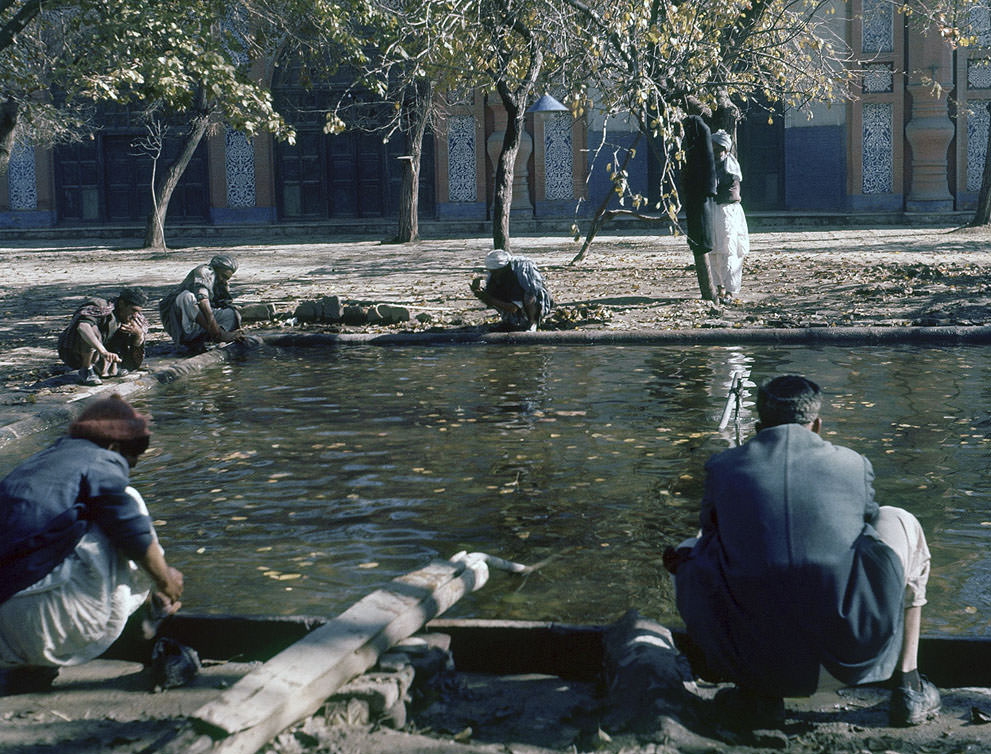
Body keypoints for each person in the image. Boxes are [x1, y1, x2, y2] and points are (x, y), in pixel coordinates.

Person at [668, 375, 939, 729]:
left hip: (756, 662)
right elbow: (869, 530)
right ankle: (908, 685)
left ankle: (756, 695)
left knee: (689, 552)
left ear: (759, 425)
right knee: (900, 520)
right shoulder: (852, 464)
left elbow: (710, 536)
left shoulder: (722, 467)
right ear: (818, 425)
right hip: (850, 663)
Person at [0, 394, 183, 694]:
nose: (126, 470)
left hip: (6, 638)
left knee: (79, 523)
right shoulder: (101, 459)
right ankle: (154, 612)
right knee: (128, 504)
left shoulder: (42, 462)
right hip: (45, 626)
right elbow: (130, 526)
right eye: (129, 463)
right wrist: (165, 578)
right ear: (114, 447)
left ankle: (31, 665)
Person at [58, 287, 149, 386]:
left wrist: (138, 333)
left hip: (106, 355)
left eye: (138, 311)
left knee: (134, 331)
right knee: (92, 330)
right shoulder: (101, 307)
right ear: (122, 304)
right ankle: (86, 370)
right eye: (133, 310)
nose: (135, 315)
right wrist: (103, 351)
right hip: (77, 353)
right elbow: (82, 328)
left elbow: (137, 344)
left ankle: (110, 368)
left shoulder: (134, 317)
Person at [158, 254, 244, 351]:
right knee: (186, 297)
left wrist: (224, 289)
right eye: (223, 276)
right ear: (217, 268)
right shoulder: (204, 271)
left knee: (232, 313)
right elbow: (203, 301)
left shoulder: (221, 282)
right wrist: (216, 331)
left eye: (226, 278)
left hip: (200, 320)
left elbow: (224, 303)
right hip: (177, 317)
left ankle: (211, 338)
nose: (223, 279)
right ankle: (216, 335)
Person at [709, 129, 750, 304]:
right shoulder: (709, 165)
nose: (716, 152)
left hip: (727, 211)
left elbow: (727, 192)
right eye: (714, 148)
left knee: (728, 250)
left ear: (725, 150)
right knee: (713, 250)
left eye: (719, 149)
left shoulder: (730, 167)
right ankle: (718, 287)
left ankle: (730, 290)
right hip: (712, 211)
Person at [681, 114, 718, 301]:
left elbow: (708, 162)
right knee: (699, 226)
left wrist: (709, 189)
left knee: (702, 227)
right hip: (698, 189)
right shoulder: (696, 132)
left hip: (700, 190)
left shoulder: (699, 131)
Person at [470, 250, 554, 331]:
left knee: (529, 295)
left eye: (495, 272)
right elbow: (491, 299)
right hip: (514, 305)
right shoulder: (494, 276)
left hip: (535, 302)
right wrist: (478, 292)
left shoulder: (518, 273)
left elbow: (513, 308)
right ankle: (511, 321)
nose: (493, 274)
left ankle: (533, 323)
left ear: (502, 269)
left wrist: (487, 298)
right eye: (491, 272)